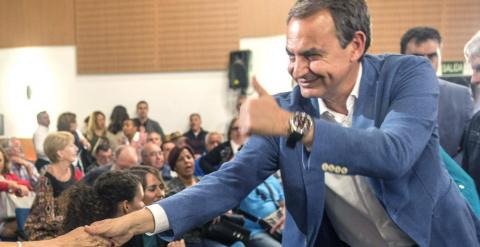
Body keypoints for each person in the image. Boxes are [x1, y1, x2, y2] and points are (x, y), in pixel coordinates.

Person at [86, 1, 480, 246]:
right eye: (291, 55)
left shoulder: (407, 76)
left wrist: (295, 127)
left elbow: (394, 154)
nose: (298, 70)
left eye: (311, 55)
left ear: (356, 45)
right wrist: (141, 220)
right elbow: (229, 182)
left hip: (437, 237)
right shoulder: (286, 109)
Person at [400, 26, 473, 157]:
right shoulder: (386, 95)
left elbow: (467, 149)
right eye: (418, 56)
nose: (426, 62)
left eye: (432, 56)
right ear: (402, 58)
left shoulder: (461, 97)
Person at [25, 131, 83, 240]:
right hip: (45, 231)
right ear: (60, 153)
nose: (76, 148)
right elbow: (47, 220)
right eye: (71, 145)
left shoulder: (75, 171)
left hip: (69, 227)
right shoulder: (46, 180)